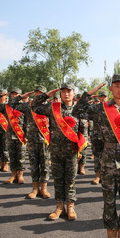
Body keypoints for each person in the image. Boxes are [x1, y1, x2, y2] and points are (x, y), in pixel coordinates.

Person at [72, 74, 120, 238]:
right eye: (116, 86)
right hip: (108, 162)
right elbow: (77, 111)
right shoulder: (101, 109)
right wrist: (88, 95)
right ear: (111, 88)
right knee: (109, 203)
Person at [32, 83, 87, 221]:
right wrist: (47, 94)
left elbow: (83, 132)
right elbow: (34, 106)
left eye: (69, 91)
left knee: (70, 180)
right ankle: (59, 207)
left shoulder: (78, 110)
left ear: (74, 93)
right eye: (63, 91)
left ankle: (70, 207)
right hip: (56, 150)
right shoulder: (53, 108)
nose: (66, 94)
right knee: (58, 179)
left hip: (72, 151)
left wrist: (81, 150)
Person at [9, 85, 51, 199]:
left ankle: (44, 188)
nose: (38, 95)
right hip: (32, 140)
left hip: (45, 141)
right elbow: (11, 104)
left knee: (45, 166)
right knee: (34, 165)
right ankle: (34, 188)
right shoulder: (28, 106)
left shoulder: (49, 107)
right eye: (36, 93)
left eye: (41, 93)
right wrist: (21, 97)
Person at [0, 88, 26, 184]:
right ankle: (13, 175)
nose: (14, 96)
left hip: (21, 136)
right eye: (13, 94)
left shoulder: (24, 107)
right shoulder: (6, 107)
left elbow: (28, 122)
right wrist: (0, 95)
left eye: (16, 94)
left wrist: (26, 135)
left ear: (20, 96)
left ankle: (20, 175)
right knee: (12, 156)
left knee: (21, 156)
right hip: (10, 135)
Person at [90, 90, 109, 184]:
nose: (103, 98)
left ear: (107, 98)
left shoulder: (111, 108)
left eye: (104, 97)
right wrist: (90, 97)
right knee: (97, 156)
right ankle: (97, 176)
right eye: (101, 97)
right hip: (96, 135)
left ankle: (105, 176)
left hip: (108, 137)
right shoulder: (95, 108)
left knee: (107, 157)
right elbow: (81, 109)